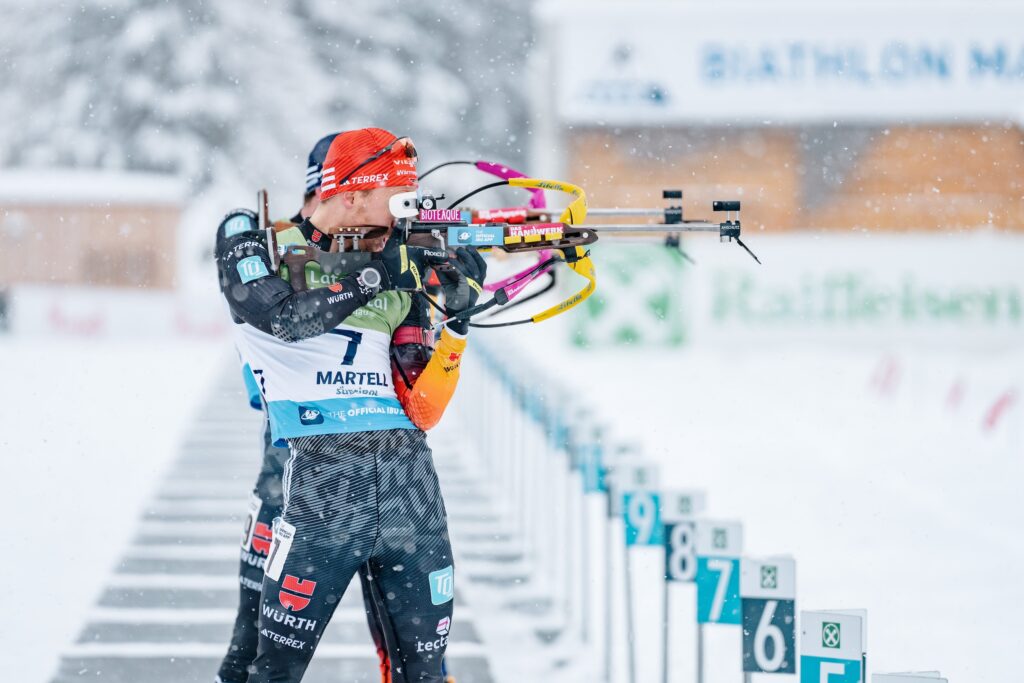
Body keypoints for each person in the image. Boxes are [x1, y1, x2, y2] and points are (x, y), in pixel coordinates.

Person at [215, 127, 484, 683]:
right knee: (264, 664)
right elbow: (286, 320)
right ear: (353, 193)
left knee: (425, 673)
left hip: (409, 481)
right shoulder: (262, 242)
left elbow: (424, 407)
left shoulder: (396, 266)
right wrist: (378, 272)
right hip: (314, 478)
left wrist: (455, 322)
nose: (406, 212)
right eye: (398, 195)